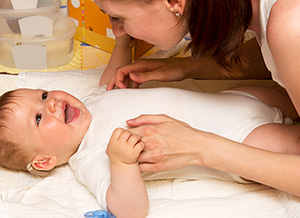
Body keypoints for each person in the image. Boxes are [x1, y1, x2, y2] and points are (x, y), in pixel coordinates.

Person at [0, 69, 299, 218]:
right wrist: (122, 163)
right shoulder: (90, 158)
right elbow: (130, 210)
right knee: (289, 146)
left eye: (42, 95)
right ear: (44, 161)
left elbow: (111, 79)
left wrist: (121, 44)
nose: (51, 103)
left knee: (290, 90)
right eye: (38, 119)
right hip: (239, 141)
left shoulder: (91, 101)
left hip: (238, 100)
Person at [93, 0, 300, 197]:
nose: (118, 31)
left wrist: (200, 148)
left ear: (174, 3)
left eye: (118, 17)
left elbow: (288, 39)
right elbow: (277, 52)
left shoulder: (290, 25)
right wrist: (189, 66)